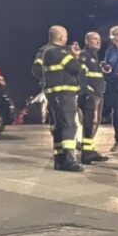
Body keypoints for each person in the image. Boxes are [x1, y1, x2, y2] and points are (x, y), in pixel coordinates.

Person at [40, 25, 85, 172]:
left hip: (55, 95)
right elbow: (75, 68)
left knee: (60, 126)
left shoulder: (47, 51)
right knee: (70, 126)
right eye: (65, 36)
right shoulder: (59, 51)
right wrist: (76, 56)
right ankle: (69, 161)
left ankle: (59, 159)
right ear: (60, 37)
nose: (67, 39)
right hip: (64, 94)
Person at [78, 32, 110, 164]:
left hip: (98, 94)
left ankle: (89, 149)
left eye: (99, 39)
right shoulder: (84, 55)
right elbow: (80, 75)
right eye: (94, 39)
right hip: (91, 95)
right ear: (87, 41)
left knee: (95, 122)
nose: (98, 41)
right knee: (90, 122)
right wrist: (87, 91)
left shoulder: (94, 57)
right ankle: (86, 153)